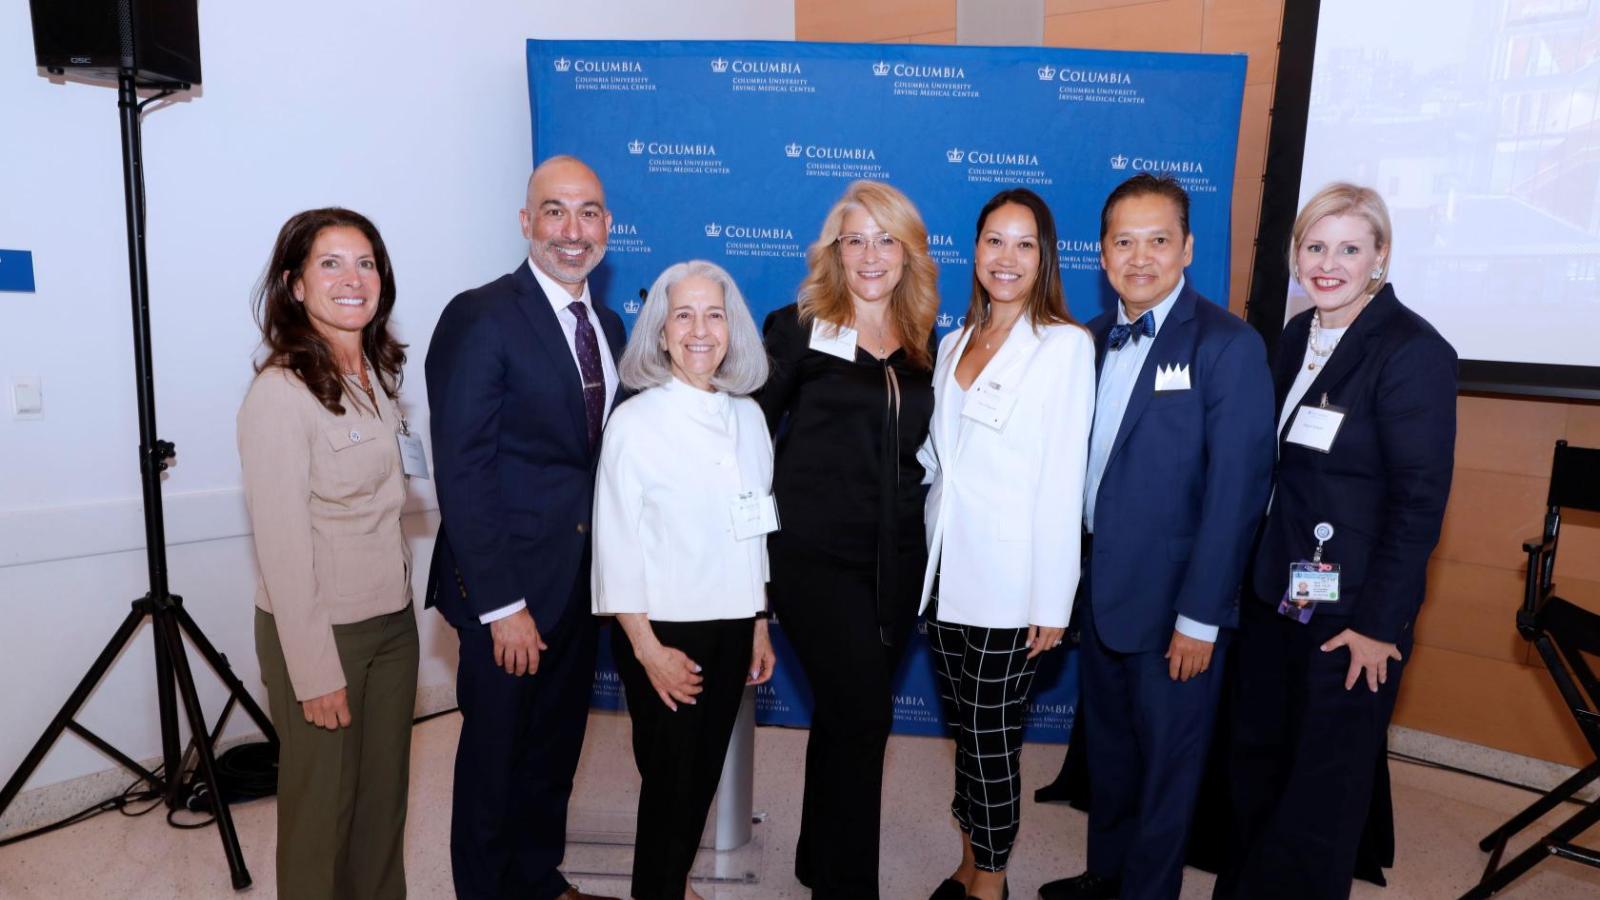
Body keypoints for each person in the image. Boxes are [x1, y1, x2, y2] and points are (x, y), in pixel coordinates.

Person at [1213, 183, 1456, 900]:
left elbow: (1419, 506)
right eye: (1315, 247)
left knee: (1320, 793)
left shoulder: (1412, 352)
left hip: (1352, 618)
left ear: (1379, 257)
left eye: (1349, 248)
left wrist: (1380, 628)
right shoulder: (1296, 336)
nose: (1329, 263)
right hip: (1276, 598)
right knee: (1258, 765)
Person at [1040, 174, 1276, 900]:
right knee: (1110, 757)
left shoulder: (1227, 345)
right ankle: (1104, 875)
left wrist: (1201, 617)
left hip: (1179, 609)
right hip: (1103, 595)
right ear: (1103, 255)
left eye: (1158, 240)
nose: (1140, 258)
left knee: (1168, 771)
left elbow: (1239, 494)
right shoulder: (1086, 340)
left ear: (1187, 249)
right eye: (1124, 242)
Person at [425, 156, 623, 900]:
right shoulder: (480, 314)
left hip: (577, 584)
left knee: (552, 750)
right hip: (507, 589)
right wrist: (501, 605)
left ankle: (537, 878)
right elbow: (463, 468)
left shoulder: (606, 323)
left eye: (588, 213)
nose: (572, 231)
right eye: (554, 211)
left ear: (608, 225)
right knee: (493, 760)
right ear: (525, 222)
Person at [757, 179, 940, 896]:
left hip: (896, 564)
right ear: (835, 250)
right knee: (865, 717)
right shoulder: (798, 324)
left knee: (843, 716)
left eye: (885, 238)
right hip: (814, 560)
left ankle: (815, 855)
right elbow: (744, 441)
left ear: (908, 252)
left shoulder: (924, 340)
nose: (871, 254)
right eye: (855, 238)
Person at [238, 207, 419, 900]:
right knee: (322, 814)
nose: (354, 278)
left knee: (382, 806)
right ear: (295, 285)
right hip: (319, 633)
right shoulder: (279, 394)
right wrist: (314, 672)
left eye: (367, 263)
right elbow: (283, 551)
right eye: (331, 264)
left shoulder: (378, 374)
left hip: (391, 624)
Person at [918, 189, 1095, 900]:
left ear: (1044, 256)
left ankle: (990, 885)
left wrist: (1052, 601)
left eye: (1025, 244)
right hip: (941, 574)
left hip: (1009, 588)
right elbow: (937, 459)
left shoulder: (1064, 347)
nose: (1008, 257)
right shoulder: (953, 341)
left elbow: (1063, 483)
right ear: (976, 250)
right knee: (964, 736)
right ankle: (967, 865)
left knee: (993, 747)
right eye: (996, 240)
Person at [592, 260, 778, 900]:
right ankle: (658, 887)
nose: (700, 330)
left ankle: (673, 882)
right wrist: (647, 651)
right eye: (683, 315)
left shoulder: (749, 417)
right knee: (669, 783)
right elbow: (615, 546)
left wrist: (758, 621)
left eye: (714, 314)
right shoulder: (636, 423)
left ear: (734, 329)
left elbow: (756, 527)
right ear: (661, 332)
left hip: (733, 624)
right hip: (663, 631)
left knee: (700, 778)